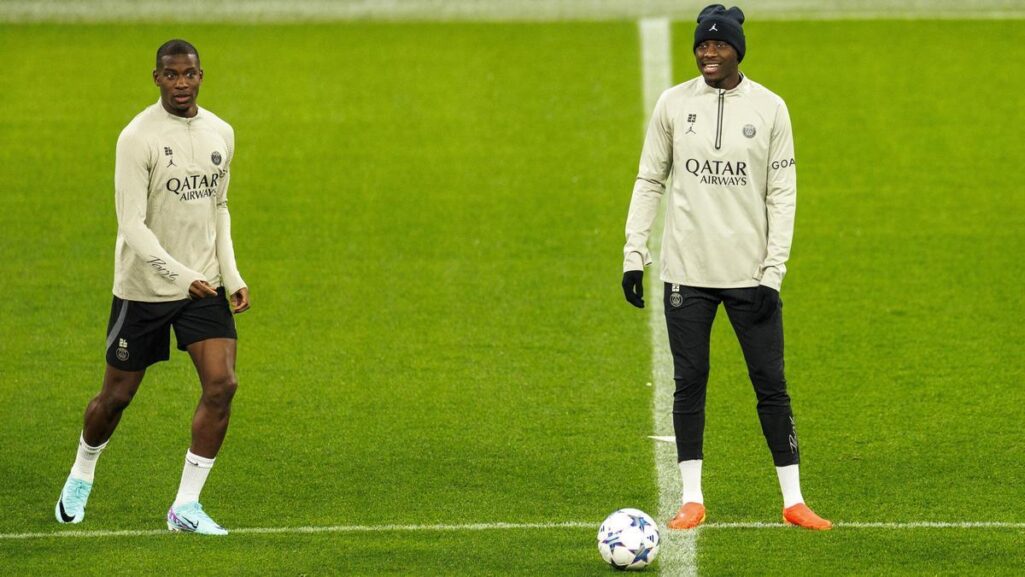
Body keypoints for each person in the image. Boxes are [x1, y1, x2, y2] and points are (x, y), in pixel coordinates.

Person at [621, 5, 831, 530]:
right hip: (686, 274)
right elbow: (650, 180)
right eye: (701, 45)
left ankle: (793, 501)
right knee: (689, 382)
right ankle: (691, 498)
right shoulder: (672, 104)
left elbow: (783, 194)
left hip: (750, 277)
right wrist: (633, 253)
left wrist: (772, 272)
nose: (708, 53)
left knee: (770, 384)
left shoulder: (770, 109)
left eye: (718, 45)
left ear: (738, 48)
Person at [55, 39, 249, 536]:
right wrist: (183, 276)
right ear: (157, 78)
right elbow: (132, 225)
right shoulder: (137, 137)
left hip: (202, 287)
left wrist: (232, 274)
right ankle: (82, 471)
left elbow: (218, 208)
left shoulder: (221, 132)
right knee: (115, 398)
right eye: (172, 75)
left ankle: (185, 506)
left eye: (189, 74)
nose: (181, 84)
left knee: (222, 385)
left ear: (202, 76)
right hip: (144, 288)